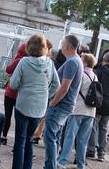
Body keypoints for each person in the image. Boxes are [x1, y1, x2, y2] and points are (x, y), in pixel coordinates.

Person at [9, 34, 59, 169]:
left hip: (23, 103)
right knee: (30, 140)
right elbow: (56, 85)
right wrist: (47, 94)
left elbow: (13, 84)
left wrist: (23, 87)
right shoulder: (49, 63)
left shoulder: (24, 62)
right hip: (40, 106)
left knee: (20, 140)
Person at [42, 35, 82, 169]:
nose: (61, 46)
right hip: (66, 106)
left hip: (60, 105)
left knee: (50, 138)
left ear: (67, 46)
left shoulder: (72, 62)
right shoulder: (76, 61)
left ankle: (50, 166)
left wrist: (52, 103)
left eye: (63, 43)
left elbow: (65, 87)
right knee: (55, 138)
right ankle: (52, 165)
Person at [58, 53, 98, 169]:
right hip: (90, 112)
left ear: (84, 62)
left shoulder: (81, 74)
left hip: (78, 109)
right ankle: (80, 164)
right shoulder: (95, 76)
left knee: (70, 137)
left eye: (81, 59)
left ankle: (62, 162)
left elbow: (75, 90)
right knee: (82, 140)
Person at [2, 43, 29, 145]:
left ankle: (4, 136)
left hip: (10, 93)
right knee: (19, 119)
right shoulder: (30, 62)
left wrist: (14, 60)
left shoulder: (19, 60)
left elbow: (8, 70)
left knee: (7, 116)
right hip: (21, 94)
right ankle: (18, 141)